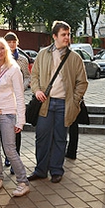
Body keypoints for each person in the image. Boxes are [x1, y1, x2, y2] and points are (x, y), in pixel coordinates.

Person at [28, 21, 88, 183]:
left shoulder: (75, 58)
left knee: (60, 138)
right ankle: (40, 170)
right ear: (54, 36)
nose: (67, 37)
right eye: (63, 34)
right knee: (42, 137)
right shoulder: (42, 54)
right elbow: (34, 76)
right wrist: (37, 90)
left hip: (64, 105)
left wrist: (74, 101)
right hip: (45, 104)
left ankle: (56, 170)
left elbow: (82, 82)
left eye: (68, 34)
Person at [0, 38, 30, 197]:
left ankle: (23, 181)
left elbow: (20, 95)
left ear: (6, 50)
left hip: (8, 112)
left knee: (9, 148)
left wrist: (21, 120)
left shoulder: (13, 68)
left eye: (2, 48)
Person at [3, 32, 30, 172]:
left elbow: (27, 77)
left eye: (14, 41)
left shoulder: (23, 60)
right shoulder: (0, 58)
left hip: (17, 99)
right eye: (9, 42)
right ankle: (8, 155)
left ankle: (15, 158)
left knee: (16, 130)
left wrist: (20, 88)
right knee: (4, 129)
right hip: (3, 100)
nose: (11, 44)